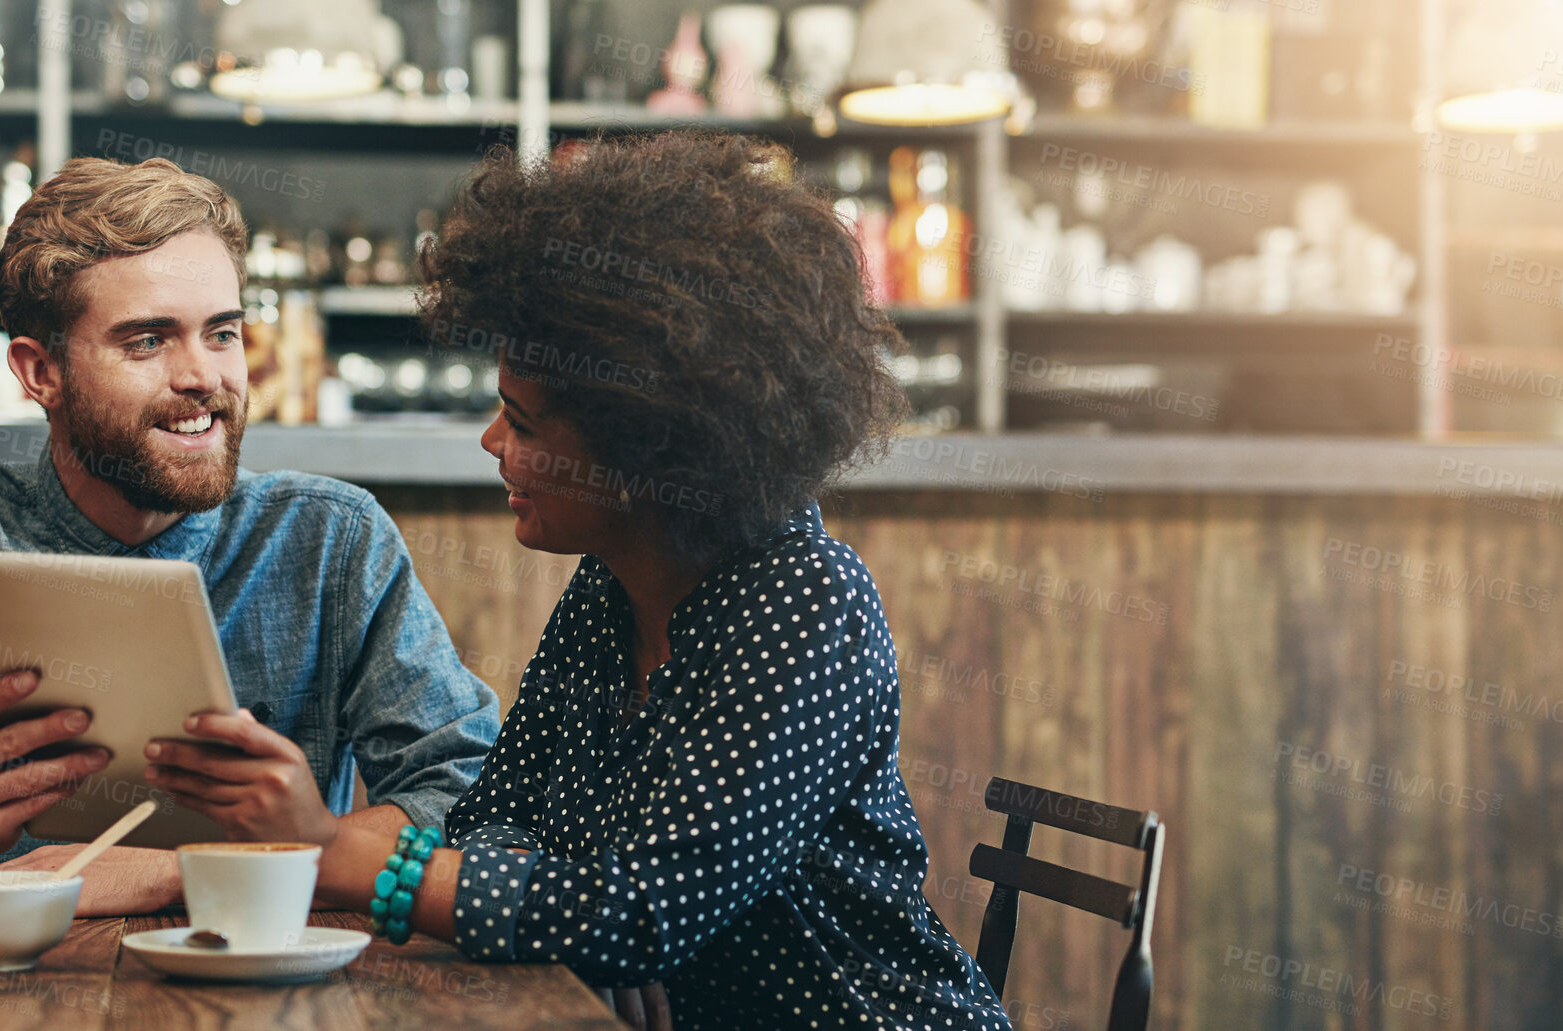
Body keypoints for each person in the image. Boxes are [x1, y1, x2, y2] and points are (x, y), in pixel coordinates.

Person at [143, 132, 1011, 1029]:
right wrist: (561, 917)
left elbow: (641, 913)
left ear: (644, 442)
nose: (492, 441)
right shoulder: (611, 590)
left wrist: (341, 854)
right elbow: (496, 821)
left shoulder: (802, 604)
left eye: (521, 419)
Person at [0, 157, 499, 915]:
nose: (202, 375)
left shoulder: (329, 538)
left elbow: (472, 796)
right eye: (146, 341)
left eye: (221, 333)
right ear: (41, 373)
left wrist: (189, 869)